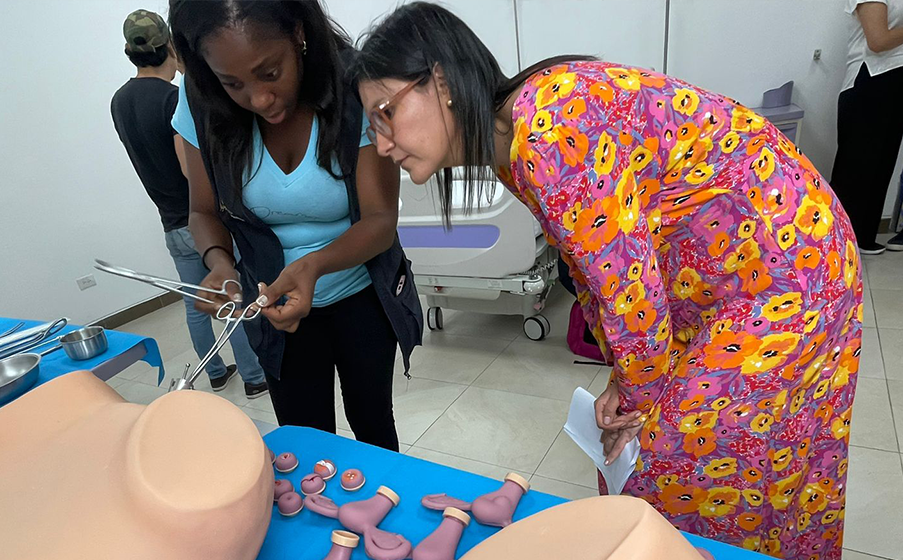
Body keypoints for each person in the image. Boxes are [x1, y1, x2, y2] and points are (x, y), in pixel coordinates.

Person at [354, 3, 861, 558]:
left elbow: (630, 300)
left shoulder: (548, 126)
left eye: (386, 113)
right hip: (729, 276)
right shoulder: (513, 143)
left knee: (684, 458)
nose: (380, 145)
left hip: (791, 268)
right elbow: (595, 273)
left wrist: (636, 394)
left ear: (443, 83)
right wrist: (627, 380)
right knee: (672, 454)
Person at [167, 0, 422, 451]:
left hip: (361, 295)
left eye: (270, 73)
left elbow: (381, 220)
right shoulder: (199, 98)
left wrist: (314, 265)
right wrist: (221, 264)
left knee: (374, 426)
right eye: (233, 84)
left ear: (299, 34)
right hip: (273, 307)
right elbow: (203, 211)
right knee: (303, 443)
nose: (259, 99)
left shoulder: (355, 86)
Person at [110, 9, 268, 398]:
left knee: (195, 302)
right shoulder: (173, 99)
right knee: (232, 296)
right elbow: (188, 168)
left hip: (169, 222)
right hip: (201, 222)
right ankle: (253, 376)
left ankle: (214, 372)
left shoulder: (120, 100)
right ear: (170, 48)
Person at [831, 0, 903, 254]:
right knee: (858, 165)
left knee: (882, 163)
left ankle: (863, 236)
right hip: (870, 78)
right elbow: (878, 40)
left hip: (894, 79)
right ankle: (840, 241)